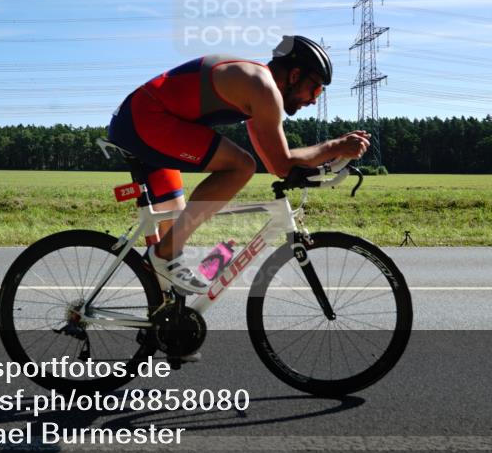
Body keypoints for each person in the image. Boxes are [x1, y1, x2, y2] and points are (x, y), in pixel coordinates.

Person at [108, 35, 371, 294]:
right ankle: (164, 254)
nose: (314, 100)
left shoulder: (255, 86)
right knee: (241, 166)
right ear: (294, 76)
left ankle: (163, 316)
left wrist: (329, 157)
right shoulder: (263, 88)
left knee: (174, 238)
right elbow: (282, 164)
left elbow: (275, 164)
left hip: (141, 118)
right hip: (146, 119)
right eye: (315, 89)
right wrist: (334, 147)